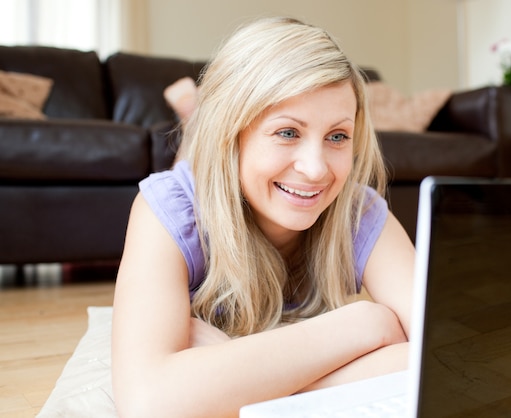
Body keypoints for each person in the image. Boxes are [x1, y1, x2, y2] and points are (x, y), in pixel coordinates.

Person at [111, 16, 415, 418]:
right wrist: (367, 323)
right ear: (231, 130)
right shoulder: (168, 207)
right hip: (208, 179)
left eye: (337, 136)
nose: (316, 169)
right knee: (193, 163)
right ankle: (195, 115)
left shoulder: (358, 211)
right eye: (288, 132)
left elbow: (443, 354)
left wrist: (227, 376)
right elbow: (148, 402)